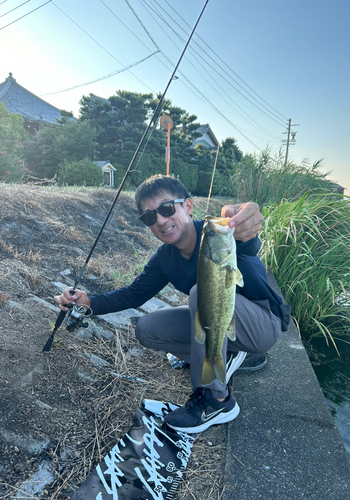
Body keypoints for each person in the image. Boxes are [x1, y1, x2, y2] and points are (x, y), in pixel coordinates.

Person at [54, 174, 290, 434]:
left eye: (167, 208)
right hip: (222, 324)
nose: (161, 221)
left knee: (201, 291)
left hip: (263, 323)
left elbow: (248, 242)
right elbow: (133, 294)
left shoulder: (220, 235)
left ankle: (217, 400)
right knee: (147, 328)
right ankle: (224, 356)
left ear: (188, 206)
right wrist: (88, 303)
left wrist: (244, 224)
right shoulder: (164, 258)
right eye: (149, 217)